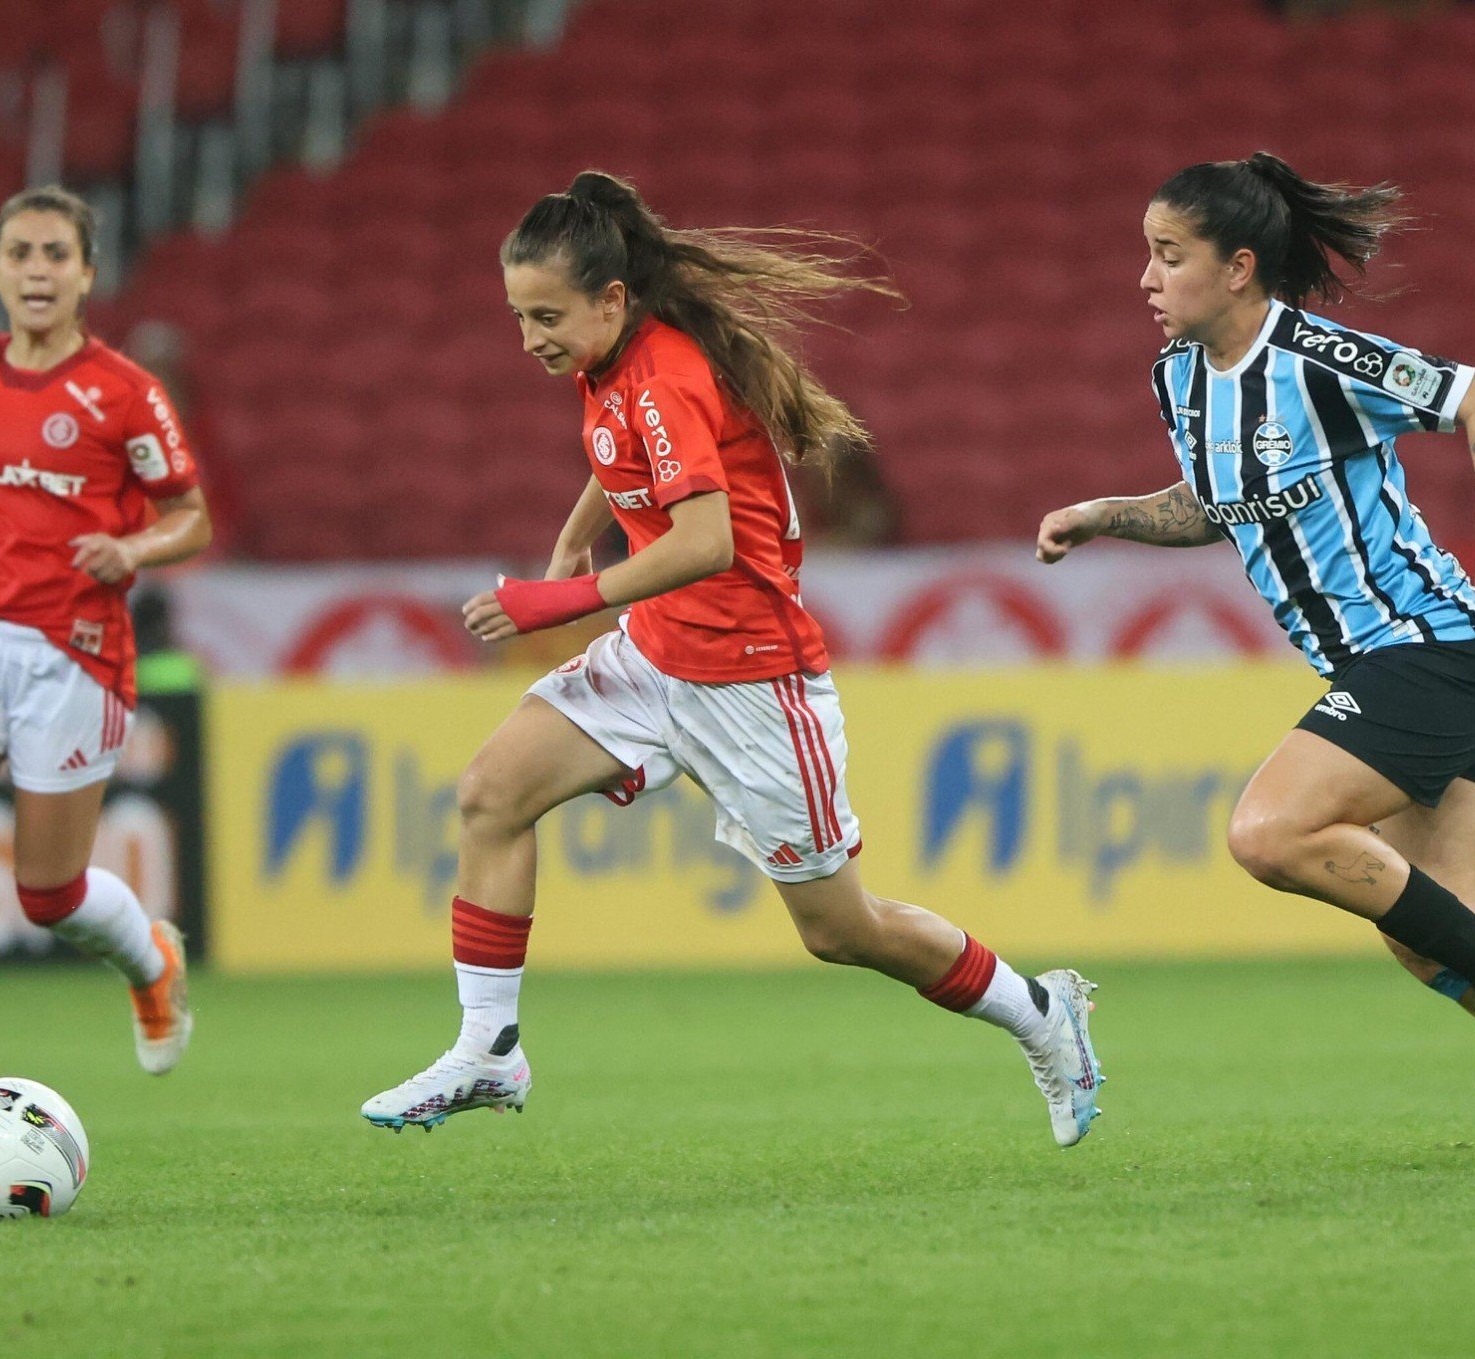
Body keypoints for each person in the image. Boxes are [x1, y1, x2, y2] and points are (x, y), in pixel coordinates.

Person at [359, 172, 1104, 1145]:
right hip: (656, 658)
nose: (530, 337)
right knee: (491, 794)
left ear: (612, 299)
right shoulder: (615, 361)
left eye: (546, 314)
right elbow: (616, 453)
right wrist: (577, 535)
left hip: (754, 681)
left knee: (845, 932)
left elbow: (704, 541)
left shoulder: (665, 374)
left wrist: (565, 595)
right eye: (517, 316)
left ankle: (1042, 1016)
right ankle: (489, 1049)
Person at [1035, 153, 1475, 1167]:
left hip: (1432, 648)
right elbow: (1217, 504)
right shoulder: (1179, 376)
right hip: (1391, 668)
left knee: (1270, 833)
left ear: (1236, 267)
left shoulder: (1314, 358)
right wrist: (1107, 516)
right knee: (1427, 935)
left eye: (1168, 257)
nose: (1146, 278)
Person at [0, 186, 209, 1130]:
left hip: (76, 651)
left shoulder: (125, 392)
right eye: (19, 252)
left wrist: (133, 550)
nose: (36, 270)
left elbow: (192, 516)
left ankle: (149, 958)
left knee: (47, 892)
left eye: (56, 254)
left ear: (86, 274)